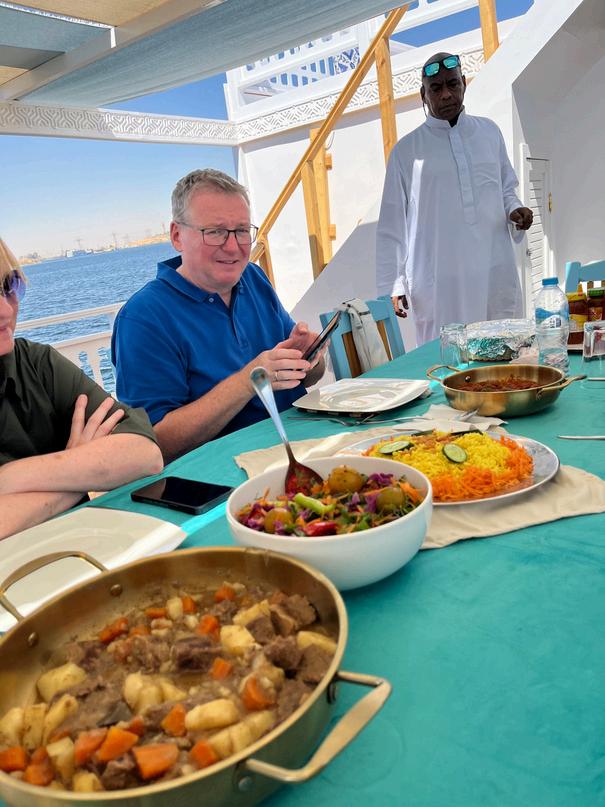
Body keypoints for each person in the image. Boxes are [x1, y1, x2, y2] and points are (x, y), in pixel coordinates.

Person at [112, 169, 326, 462]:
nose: (233, 246)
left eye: (241, 230)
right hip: (226, 476)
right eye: (215, 232)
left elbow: (310, 377)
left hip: (303, 448)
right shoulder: (143, 318)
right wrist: (248, 381)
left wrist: (308, 358)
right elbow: (154, 444)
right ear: (177, 236)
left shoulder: (253, 277)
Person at [0, 239, 163, 540]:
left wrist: (10, 478)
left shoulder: (36, 364)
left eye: (8, 286)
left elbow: (145, 454)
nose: (5, 310)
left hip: (80, 548)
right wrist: (76, 471)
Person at [376, 52, 533, 346]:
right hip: (439, 280)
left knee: (504, 349)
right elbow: (391, 224)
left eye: (453, 84)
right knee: (448, 359)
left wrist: (515, 209)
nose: (446, 94)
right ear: (423, 95)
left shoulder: (489, 132)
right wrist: (394, 284)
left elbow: (506, 188)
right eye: (436, 88)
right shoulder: (406, 152)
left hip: (493, 269)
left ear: (464, 83)